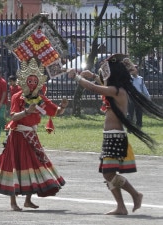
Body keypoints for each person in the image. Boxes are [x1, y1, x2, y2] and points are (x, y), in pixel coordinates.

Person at [69, 54, 163, 215]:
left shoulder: (117, 91)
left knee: (108, 173)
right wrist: (92, 76)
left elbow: (95, 88)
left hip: (115, 136)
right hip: (111, 136)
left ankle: (135, 194)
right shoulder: (116, 90)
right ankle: (121, 206)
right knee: (108, 174)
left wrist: (76, 77)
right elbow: (102, 85)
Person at [0, 58, 69, 211]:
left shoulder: (41, 98)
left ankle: (28, 200)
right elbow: (13, 116)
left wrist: (62, 106)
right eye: (30, 80)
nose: (32, 83)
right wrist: (26, 111)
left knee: (34, 165)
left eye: (35, 80)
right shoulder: (18, 97)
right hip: (17, 136)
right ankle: (13, 202)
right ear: (24, 81)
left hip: (32, 135)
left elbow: (56, 112)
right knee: (14, 166)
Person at [127, 64, 150, 129]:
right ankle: (130, 127)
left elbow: (144, 88)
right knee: (130, 112)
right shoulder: (129, 78)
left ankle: (139, 126)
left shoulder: (140, 79)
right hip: (131, 97)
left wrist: (148, 96)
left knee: (139, 112)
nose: (132, 70)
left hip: (139, 97)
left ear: (137, 70)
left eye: (133, 69)